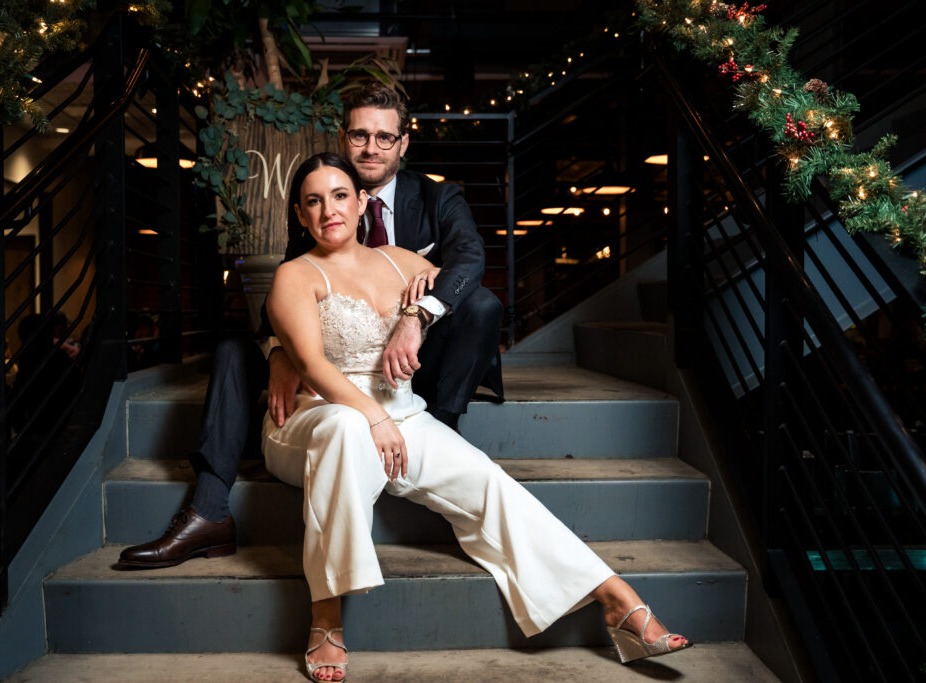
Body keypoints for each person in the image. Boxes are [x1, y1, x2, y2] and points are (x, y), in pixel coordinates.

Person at [263, 153, 690, 682]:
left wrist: (424, 307)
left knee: (488, 480)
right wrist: (369, 414)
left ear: (362, 202)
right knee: (348, 428)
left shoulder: (399, 260)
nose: (329, 209)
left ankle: (614, 596)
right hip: (316, 418)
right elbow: (309, 363)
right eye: (313, 201)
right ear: (301, 217)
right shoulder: (294, 274)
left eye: (340, 195)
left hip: (403, 414)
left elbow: (462, 275)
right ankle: (326, 614)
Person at [118, 83, 504, 569]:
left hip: (415, 365)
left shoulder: (438, 196)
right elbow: (287, 287)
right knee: (236, 351)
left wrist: (419, 310)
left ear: (403, 144)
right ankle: (210, 510)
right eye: (360, 135)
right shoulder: (319, 197)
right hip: (327, 371)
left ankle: (439, 438)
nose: (371, 147)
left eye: (385, 138)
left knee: (483, 305)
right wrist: (283, 352)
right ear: (344, 139)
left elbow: (469, 259)